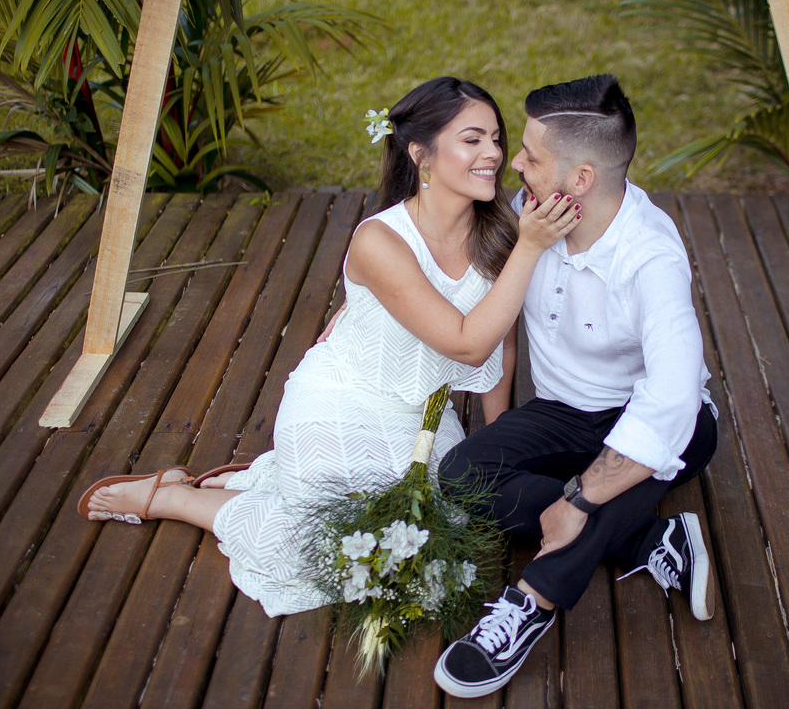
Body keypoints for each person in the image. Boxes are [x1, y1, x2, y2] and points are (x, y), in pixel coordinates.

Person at [77, 77, 581, 616]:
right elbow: (467, 346)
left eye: (497, 140)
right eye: (473, 139)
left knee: (425, 543)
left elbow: (501, 336)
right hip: (341, 400)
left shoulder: (501, 230)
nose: (494, 154)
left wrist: (495, 437)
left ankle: (265, 485)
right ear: (421, 155)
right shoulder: (380, 241)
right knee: (324, 552)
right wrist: (529, 249)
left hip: (420, 420)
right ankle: (176, 497)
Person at [432, 74, 718, 698]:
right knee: (459, 474)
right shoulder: (528, 218)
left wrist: (580, 501)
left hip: (653, 419)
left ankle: (528, 605)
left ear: (581, 179)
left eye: (532, 156)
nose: (516, 163)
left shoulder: (651, 258)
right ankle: (648, 535)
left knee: (637, 464)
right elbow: (487, 310)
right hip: (561, 412)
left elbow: (671, 400)